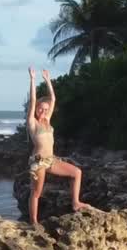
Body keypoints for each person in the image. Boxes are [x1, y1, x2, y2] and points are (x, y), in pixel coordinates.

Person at [26, 66, 92, 224]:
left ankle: (76, 202)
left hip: (51, 160)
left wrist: (48, 80)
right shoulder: (32, 123)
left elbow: (53, 99)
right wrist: (33, 79)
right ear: (36, 109)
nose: (43, 111)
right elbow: (33, 101)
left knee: (76, 172)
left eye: (46, 109)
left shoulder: (47, 120)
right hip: (38, 162)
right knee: (36, 193)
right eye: (40, 109)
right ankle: (34, 222)